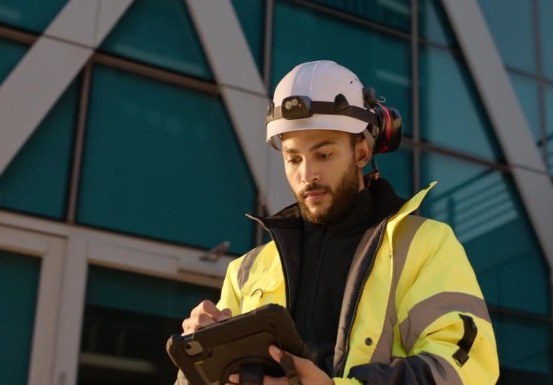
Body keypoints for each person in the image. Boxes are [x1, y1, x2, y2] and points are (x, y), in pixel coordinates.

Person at [176, 60, 498, 385]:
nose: (307, 174)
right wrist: (200, 360)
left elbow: (465, 370)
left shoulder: (425, 245)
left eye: (324, 154)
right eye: (293, 159)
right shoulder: (246, 271)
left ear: (360, 152)